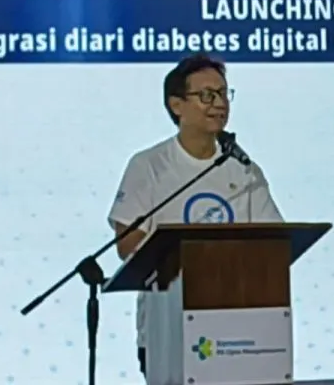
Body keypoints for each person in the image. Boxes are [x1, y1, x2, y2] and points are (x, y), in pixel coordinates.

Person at [107, 53, 285, 378]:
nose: (220, 103)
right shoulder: (149, 166)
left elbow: (274, 243)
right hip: (167, 329)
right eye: (207, 95)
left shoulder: (244, 170)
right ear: (177, 105)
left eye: (224, 93)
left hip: (238, 332)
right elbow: (127, 243)